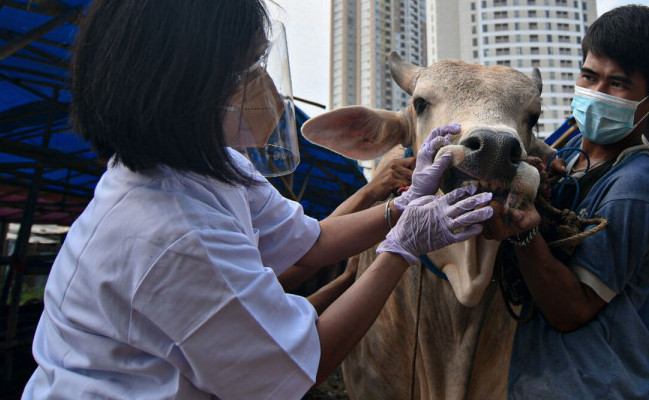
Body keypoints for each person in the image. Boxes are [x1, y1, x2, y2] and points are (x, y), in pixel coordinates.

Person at [22, 1, 494, 399]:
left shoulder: (209, 168)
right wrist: (401, 250)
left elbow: (310, 243)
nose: (260, 84)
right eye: (242, 70)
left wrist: (402, 205)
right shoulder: (172, 234)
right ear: (181, 86)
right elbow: (301, 364)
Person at [483, 5, 649, 399]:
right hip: (531, 377)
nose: (595, 94)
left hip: (588, 386)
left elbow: (572, 311)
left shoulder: (635, 189)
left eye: (617, 84)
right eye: (589, 76)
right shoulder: (569, 157)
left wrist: (524, 229)